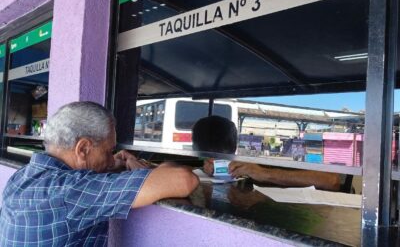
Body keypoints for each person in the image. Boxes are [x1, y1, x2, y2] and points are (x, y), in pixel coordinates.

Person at [0, 101, 199, 246]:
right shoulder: (73, 192)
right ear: (83, 149)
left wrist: (109, 164)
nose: (112, 159)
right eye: (108, 151)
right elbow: (184, 179)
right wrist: (135, 165)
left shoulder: (22, 177)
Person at [192, 116, 340, 191]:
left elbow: (331, 180)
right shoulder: (208, 170)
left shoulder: (261, 161)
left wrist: (264, 173)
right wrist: (217, 171)